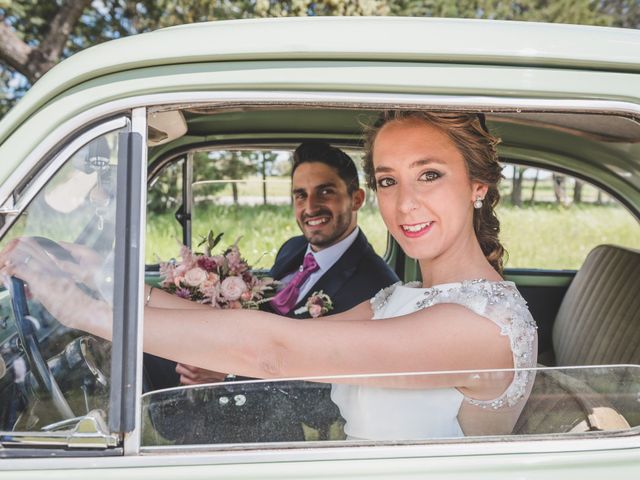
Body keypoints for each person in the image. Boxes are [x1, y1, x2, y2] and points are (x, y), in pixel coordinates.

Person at [0, 111, 538, 440]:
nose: (406, 202)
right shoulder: (404, 298)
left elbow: (275, 352)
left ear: (478, 185)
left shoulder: (483, 328)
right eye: (389, 181)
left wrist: (86, 313)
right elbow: (295, 338)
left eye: (430, 174)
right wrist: (112, 279)